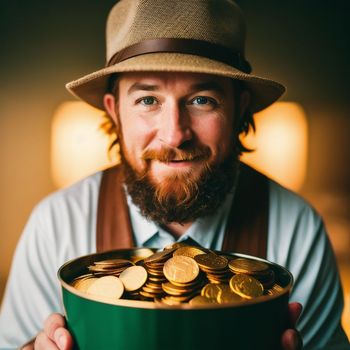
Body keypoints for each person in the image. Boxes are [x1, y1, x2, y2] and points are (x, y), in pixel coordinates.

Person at [0, 0, 349, 349]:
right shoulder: (56, 222)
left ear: (239, 107)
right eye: (148, 100)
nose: (175, 134)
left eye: (202, 100)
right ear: (115, 110)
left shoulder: (298, 228)